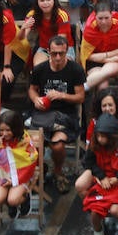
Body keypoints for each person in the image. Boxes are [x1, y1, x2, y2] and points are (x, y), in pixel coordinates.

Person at [27, 33, 86, 192]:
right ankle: (39, 170)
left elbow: (81, 97)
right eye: (54, 53)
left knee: (58, 146)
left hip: (66, 115)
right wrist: (35, 100)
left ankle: (58, 172)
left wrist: (62, 95)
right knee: (34, 144)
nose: (58, 57)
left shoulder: (75, 70)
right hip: (43, 114)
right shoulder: (40, 69)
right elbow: (32, 90)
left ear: (67, 51)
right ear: (48, 51)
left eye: (62, 53)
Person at [0, 109, 39, 218]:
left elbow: (31, 163)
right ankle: (11, 201)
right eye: (1, 130)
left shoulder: (25, 141)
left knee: (13, 200)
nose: (4, 134)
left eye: (8, 130)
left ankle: (23, 200)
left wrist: (13, 180)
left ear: (15, 128)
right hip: (4, 173)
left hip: (23, 175)